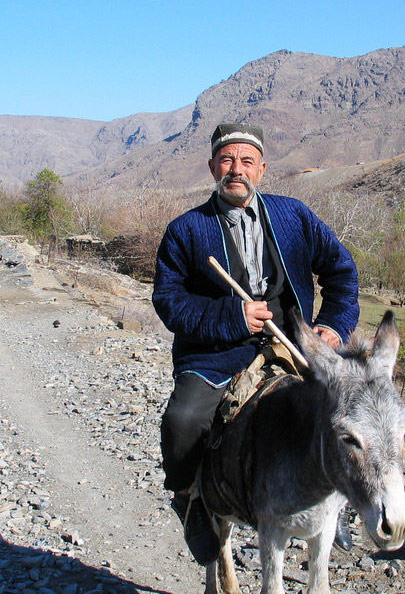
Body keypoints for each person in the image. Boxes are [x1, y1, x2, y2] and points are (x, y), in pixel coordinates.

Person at [152, 123, 360, 565]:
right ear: (212, 166)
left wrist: (332, 328)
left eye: (246, 161)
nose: (236, 170)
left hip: (293, 345)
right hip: (216, 353)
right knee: (182, 421)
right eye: (227, 161)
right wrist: (233, 316)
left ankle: (337, 504)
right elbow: (169, 302)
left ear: (262, 169)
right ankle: (191, 503)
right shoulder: (185, 230)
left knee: (348, 415)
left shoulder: (294, 216)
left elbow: (342, 272)